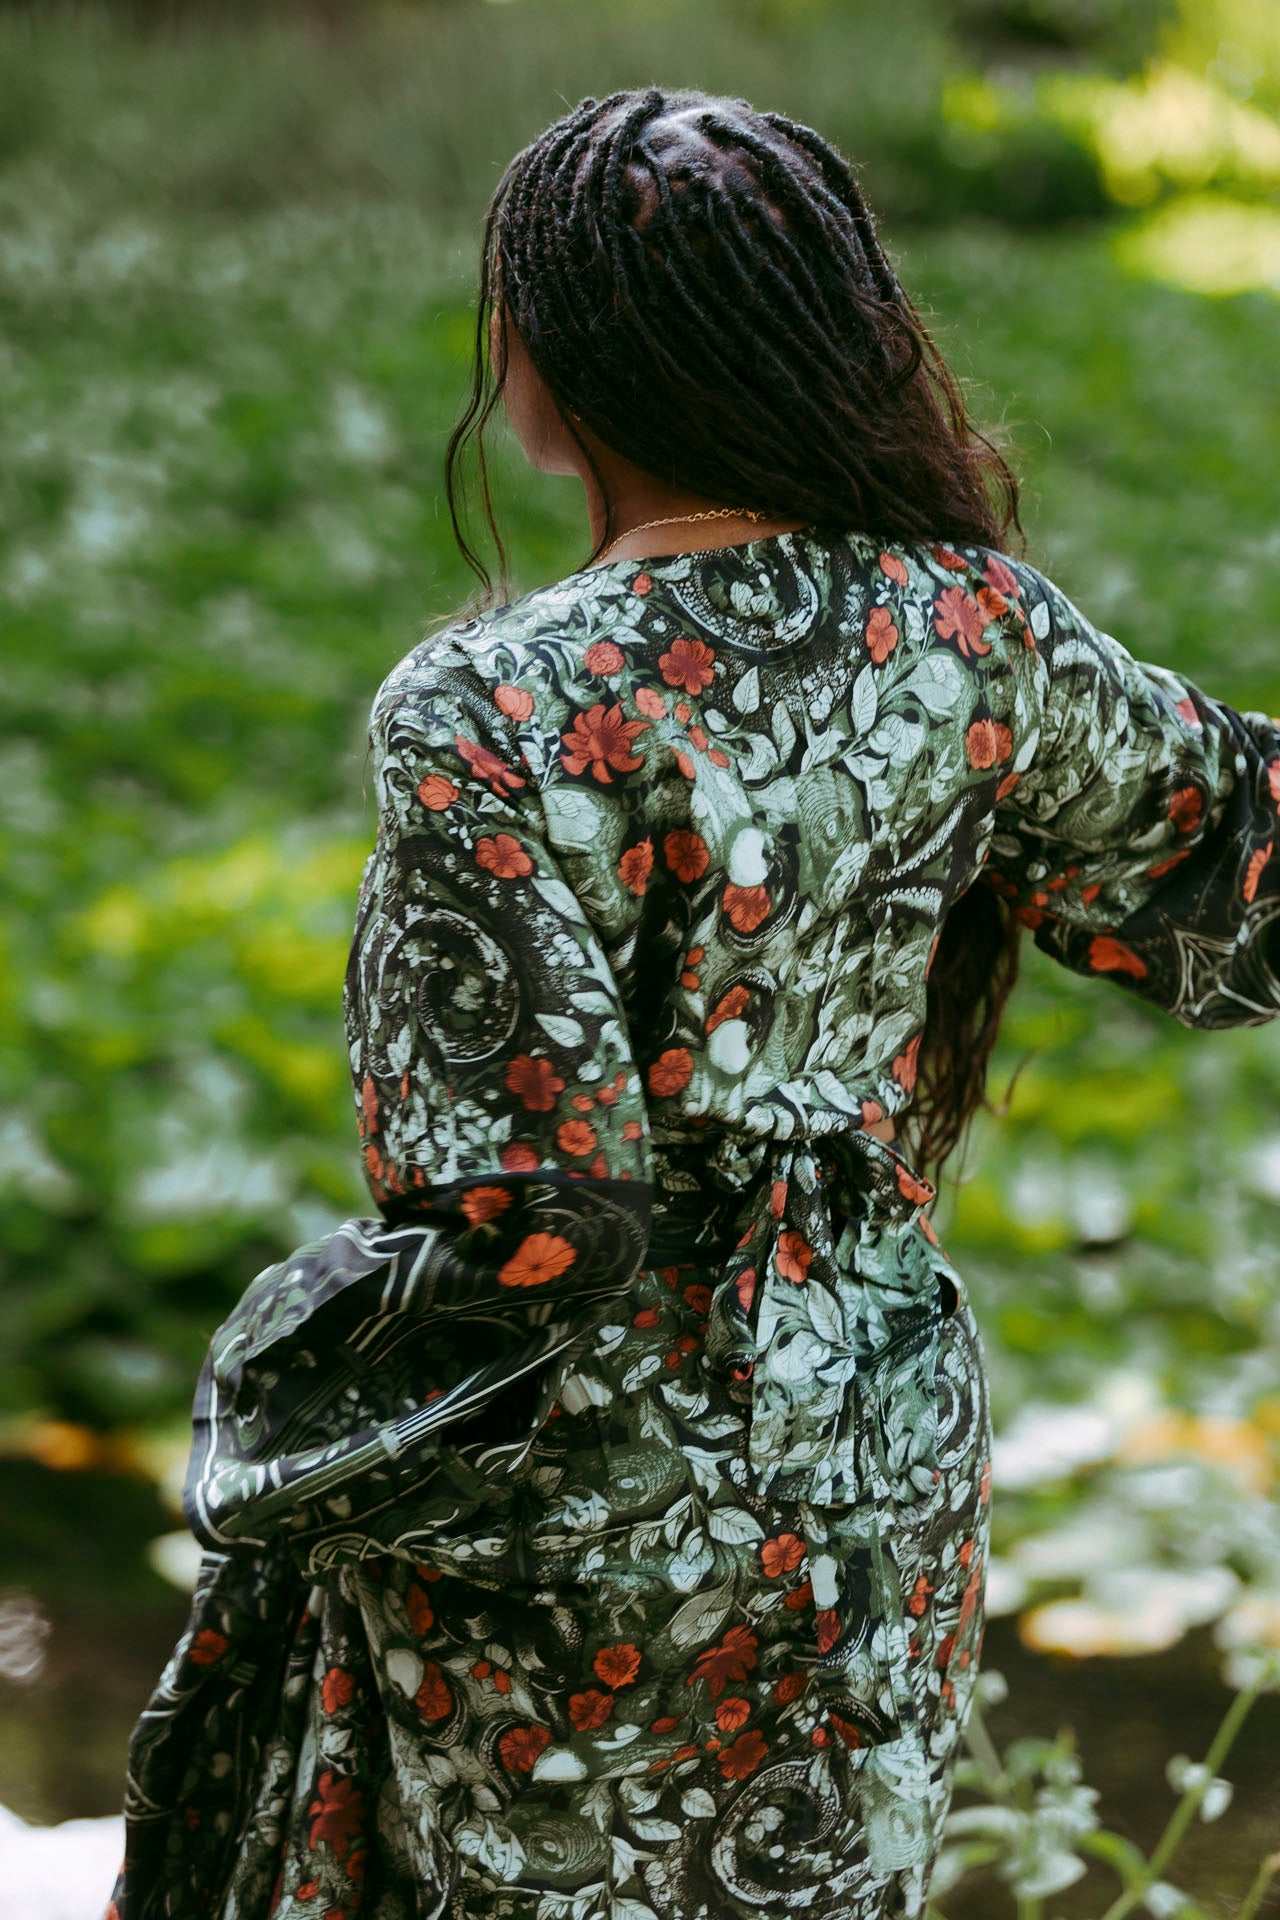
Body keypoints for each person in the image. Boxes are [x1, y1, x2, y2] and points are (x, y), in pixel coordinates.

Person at [110, 87, 1280, 1920]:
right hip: (870, 1440)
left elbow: (537, 1207)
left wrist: (284, 1388)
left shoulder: (491, 701)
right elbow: (1239, 876)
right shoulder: (965, 626)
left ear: (550, 352)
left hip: (581, 1488)